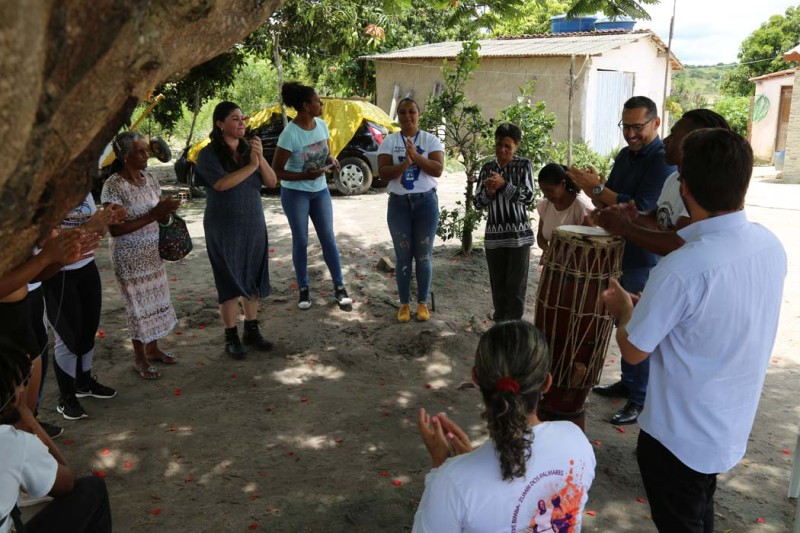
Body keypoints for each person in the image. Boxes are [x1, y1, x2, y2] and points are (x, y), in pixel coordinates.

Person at [602, 128, 786, 533]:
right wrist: (648, 308)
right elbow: (709, 319)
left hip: (676, 440)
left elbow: (632, 352)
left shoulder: (683, 268)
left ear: (683, 186)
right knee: (699, 513)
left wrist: (621, 309)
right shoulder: (769, 245)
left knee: (683, 520)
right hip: (727, 428)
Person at [413, 320, 595, 532]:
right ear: (546, 383)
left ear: (475, 377)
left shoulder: (451, 483)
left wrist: (441, 467)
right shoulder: (576, 441)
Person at [567, 96, 674, 425]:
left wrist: (596, 188)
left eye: (637, 127)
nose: (630, 133)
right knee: (624, 323)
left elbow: (640, 208)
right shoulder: (626, 156)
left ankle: (640, 399)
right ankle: (629, 384)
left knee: (638, 328)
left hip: (643, 257)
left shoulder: (662, 161)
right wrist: (594, 191)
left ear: (655, 124)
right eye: (625, 126)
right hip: (619, 254)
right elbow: (610, 196)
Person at [0, 340, 112, 533]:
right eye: (19, 385)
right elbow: (66, 483)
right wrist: (28, 417)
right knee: (92, 489)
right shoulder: (11, 442)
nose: (22, 390)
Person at [195, 101, 278, 359]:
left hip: (252, 222)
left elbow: (272, 181)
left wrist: (260, 158)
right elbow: (220, 185)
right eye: (234, 119)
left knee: (252, 274)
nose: (241, 122)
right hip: (223, 226)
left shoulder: (248, 150)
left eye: (243, 118)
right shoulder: (208, 154)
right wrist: (251, 166)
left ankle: (251, 330)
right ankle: (231, 335)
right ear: (220, 124)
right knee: (228, 279)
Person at [594, 109, 731, 257]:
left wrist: (625, 227)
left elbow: (678, 243)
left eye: (674, 135)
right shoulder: (673, 179)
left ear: (695, 143)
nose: (665, 140)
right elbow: (655, 219)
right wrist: (630, 216)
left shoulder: (703, 188)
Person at [101, 131, 181, 380]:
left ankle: (153, 349)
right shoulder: (114, 185)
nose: (147, 155)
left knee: (155, 302)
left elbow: (158, 214)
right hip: (129, 257)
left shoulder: (150, 179)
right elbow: (114, 228)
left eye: (146, 150)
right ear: (125, 155)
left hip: (151, 253)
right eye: (140, 151)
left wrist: (167, 211)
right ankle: (139, 359)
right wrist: (154, 215)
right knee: (137, 306)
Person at [42, 194, 124, 420]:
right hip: (57, 273)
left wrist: (107, 219)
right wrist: (89, 226)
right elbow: (48, 239)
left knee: (88, 329)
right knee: (68, 337)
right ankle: (66, 397)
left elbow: (100, 231)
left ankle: (84, 382)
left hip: (86, 267)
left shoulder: (83, 190)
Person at [271, 83, 352, 312]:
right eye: (318, 101)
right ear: (306, 106)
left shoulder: (323, 126)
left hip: (320, 191)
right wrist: (303, 176)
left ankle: (339, 286)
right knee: (302, 240)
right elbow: (276, 171)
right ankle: (304, 288)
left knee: (328, 238)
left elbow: (326, 153)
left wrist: (332, 160)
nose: (321, 104)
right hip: (295, 193)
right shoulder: (290, 134)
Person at [377, 98, 445, 323]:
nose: (407, 117)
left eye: (412, 112)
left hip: (426, 204)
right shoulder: (389, 142)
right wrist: (405, 164)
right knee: (404, 257)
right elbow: (383, 173)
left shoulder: (431, 139)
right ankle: (404, 304)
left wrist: (415, 157)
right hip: (399, 205)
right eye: (403, 112)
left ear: (419, 114)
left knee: (424, 256)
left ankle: (423, 303)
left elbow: (437, 170)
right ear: (398, 116)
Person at [473, 123, 536, 321]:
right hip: (494, 237)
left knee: (516, 288)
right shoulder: (487, 168)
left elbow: (528, 197)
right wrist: (489, 192)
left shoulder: (524, 165)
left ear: (516, 145)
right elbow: (477, 203)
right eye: (499, 144)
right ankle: (500, 328)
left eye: (507, 146)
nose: (502, 150)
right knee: (498, 287)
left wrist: (504, 185)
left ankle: (514, 329)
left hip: (518, 237)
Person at [535, 163, 594, 258]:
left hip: (576, 268)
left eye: (549, 191)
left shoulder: (581, 208)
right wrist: (546, 249)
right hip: (554, 265)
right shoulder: (546, 205)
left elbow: (591, 244)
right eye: (543, 191)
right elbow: (540, 237)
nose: (545, 195)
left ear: (563, 184)